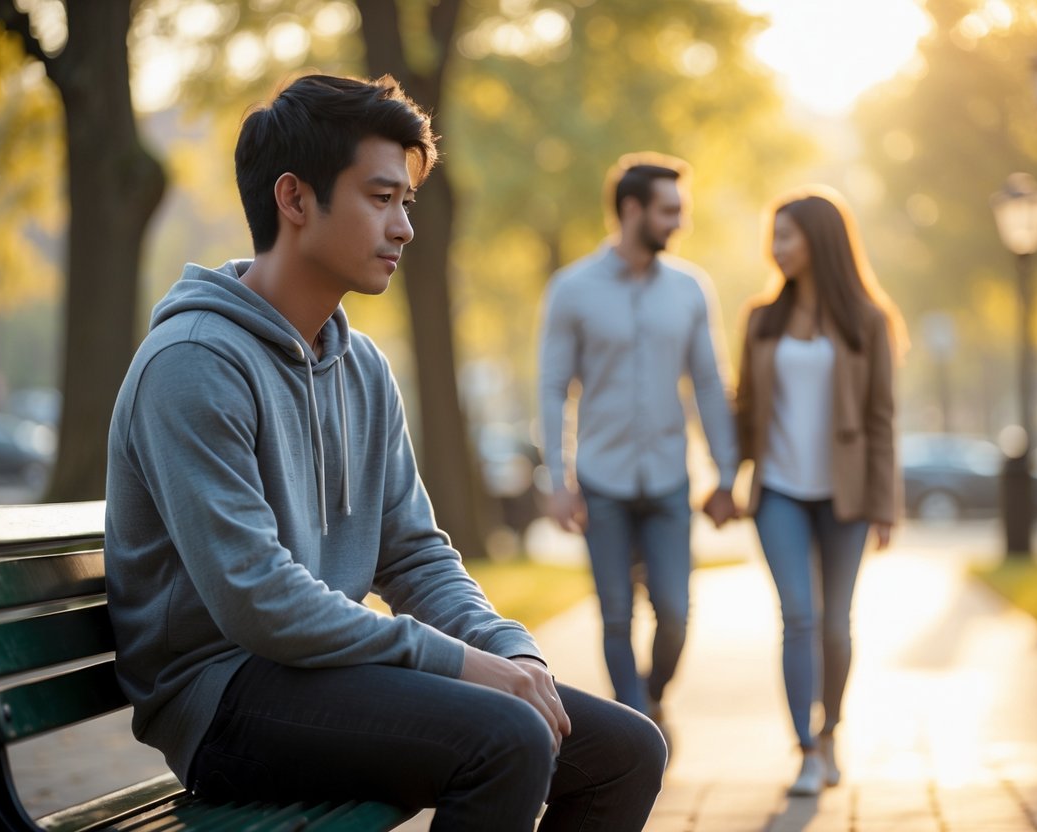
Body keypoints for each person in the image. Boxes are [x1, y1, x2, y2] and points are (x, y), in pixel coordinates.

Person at [104, 74, 666, 832]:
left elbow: (413, 557)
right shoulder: (194, 361)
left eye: (406, 201)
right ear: (295, 200)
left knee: (627, 749)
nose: (404, 227)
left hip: (321, 677)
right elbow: (256, 599)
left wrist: (512, 652)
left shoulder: (360, 366)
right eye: (380, 199)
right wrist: (465, 666)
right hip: (224, 698)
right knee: (505, 740)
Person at [537, 153, 739, 727]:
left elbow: (708, 382)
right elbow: (553, 388)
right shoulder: (571, 289)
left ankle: (651, 695)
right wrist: (558, 479)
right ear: (632, 210)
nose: (680, 222)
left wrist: (726, 474)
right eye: (669, 210)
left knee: (675, 611)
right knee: (616, 615)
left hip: (670, 479)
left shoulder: (691, 289)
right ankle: (637, 724)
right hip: (602, 481)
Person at [734, 186, 906, 796]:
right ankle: (804, 750)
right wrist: (728, 481)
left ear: (820, 240)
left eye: (787, 235)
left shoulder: (867, 320)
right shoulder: (761, 319)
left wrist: (886, 504)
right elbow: (743, 409)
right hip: (778, 490)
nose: (775, 247)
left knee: (837, 622)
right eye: (773, 235)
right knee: (799, 616)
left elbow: (883, 416)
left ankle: (831, 731)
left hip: (848, 495)